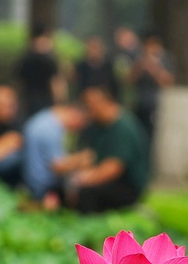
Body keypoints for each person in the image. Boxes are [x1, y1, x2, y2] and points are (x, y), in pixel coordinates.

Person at [52, 85, 149, 213]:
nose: (87, 110)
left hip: (125, 186)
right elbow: (88, 156)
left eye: (89, 106)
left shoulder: (123, 128)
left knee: (86, 194)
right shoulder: (96, 127)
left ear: (103, 102)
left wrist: (82, 180)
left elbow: (113, 168)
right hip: (101, 178)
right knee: (58, 190)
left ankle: (89, 221)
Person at [22, 100, 84, 199]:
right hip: (44, 187)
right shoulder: (51, 129)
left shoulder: (44, 118)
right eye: (79, 124)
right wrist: (81, 159)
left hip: (30, 181)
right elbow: (57, 166)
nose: (77, 129)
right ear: (74, 114)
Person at [14, 26, 63, 119]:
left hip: (28, 101)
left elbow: (18, 82)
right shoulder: (49, 60)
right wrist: (59, 103)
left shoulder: (25, 59)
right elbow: (55, 83)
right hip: (44, 101)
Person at [131, 34, 173, 139]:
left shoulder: (165, 60)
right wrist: (140, 67)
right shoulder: (139, 59)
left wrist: (154, 69)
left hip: (156, 103)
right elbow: (129, 80)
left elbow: (167, 83)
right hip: (140, 102)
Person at [75, 36, 119, 101]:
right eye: (92, 47)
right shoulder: (81, 67)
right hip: (87, 100)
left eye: (96, 48)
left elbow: (114, 87)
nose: (94, 51)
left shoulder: (109, 66)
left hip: (107, 100)